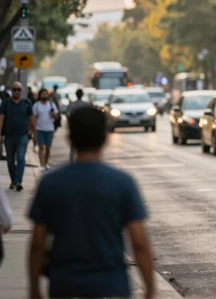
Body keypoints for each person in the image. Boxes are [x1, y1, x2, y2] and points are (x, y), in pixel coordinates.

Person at [28, 106, 156, 299]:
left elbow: (38, 243)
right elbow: (139, 243)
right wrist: (150, 290)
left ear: (70, 138)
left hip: (65, 285)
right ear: (105, 138)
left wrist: (34, 289)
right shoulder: (122, 183)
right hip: (111, 286)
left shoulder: (51, 183)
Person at [0, 82, 37, 192]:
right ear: (11, 90)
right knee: (10, 160)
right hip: (8, 136)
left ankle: (19, 181)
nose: (16, 91)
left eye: (19, 89)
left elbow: (32, 119)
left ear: (21, 91)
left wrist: (35, 134)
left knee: (20, 158)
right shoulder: (6, 103)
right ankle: (13, 180)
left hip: (22, 136)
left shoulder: (26, 103)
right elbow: (1, 119)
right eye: (14, 89)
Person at [33, 89, 59, 171]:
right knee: (41, 146)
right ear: (40, 95)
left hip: (49, 129)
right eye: (43, 94)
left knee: (48, 147)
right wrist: (32, 129)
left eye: (46, 94)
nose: (44, 95)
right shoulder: (36, 105)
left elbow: (56, 117)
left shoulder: (51, 105)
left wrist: (53, 114)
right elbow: (33, 118)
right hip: (39, 129)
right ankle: (42, 165)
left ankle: (46, 163)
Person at [65, 89, 88, 162]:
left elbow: (68, 116)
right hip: (85, 129)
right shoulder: (86, 105)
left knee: (73, 148)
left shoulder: (72, 105)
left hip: (75, 129)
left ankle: (72, 161)